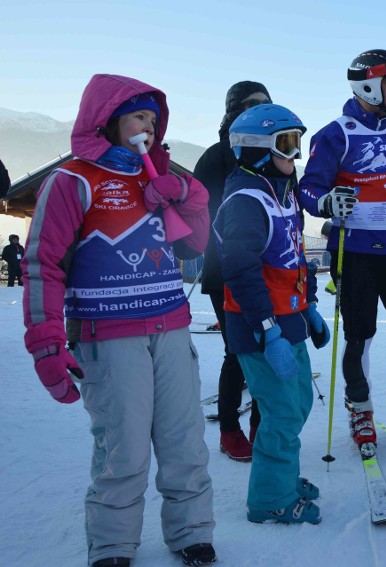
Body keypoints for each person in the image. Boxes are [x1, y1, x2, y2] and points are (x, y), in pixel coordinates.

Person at [21, 74, 215, 567]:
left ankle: (192, 532)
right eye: (137, 116)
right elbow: (42, 264)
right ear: (107, 121)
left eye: (153, 118)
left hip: (170, 330)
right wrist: (46, 341)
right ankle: (111, 546)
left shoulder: (159, 179)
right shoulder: (72, 181)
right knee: (123, 450)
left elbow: (195, 246)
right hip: (107, 337)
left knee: (183, 440)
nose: (148, 127)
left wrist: (189, 197)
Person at [299, 49, 386, 456]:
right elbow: (308, 189)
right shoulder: (336, 133)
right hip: (355, 250)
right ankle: (360, 408)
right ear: (369, 86)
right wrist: (328, 202)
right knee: (359, 334)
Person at [214, 103, 329, 525]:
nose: (294, 155)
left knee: (297, 403)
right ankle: (270, 499)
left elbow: (296, 256)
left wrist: (310, 306)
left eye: (297, 143)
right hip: (261, 327)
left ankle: (283, 476)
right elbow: (240, 271)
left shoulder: (280, 194)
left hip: (290, 318)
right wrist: (267, 329)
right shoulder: (245, 200)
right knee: (280, 412)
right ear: (257, 148)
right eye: (286, 144)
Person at [194, 80, 272, 461]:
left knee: (264, 349)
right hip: (224, 269)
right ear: (233, 109)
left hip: (267, 269)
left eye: (266, 103)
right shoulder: (215, 156)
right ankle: (229, 430)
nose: (260, 109)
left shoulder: (272, 150)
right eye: (252, 104)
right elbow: (198, 214)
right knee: (237, 352)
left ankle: (261, 424)